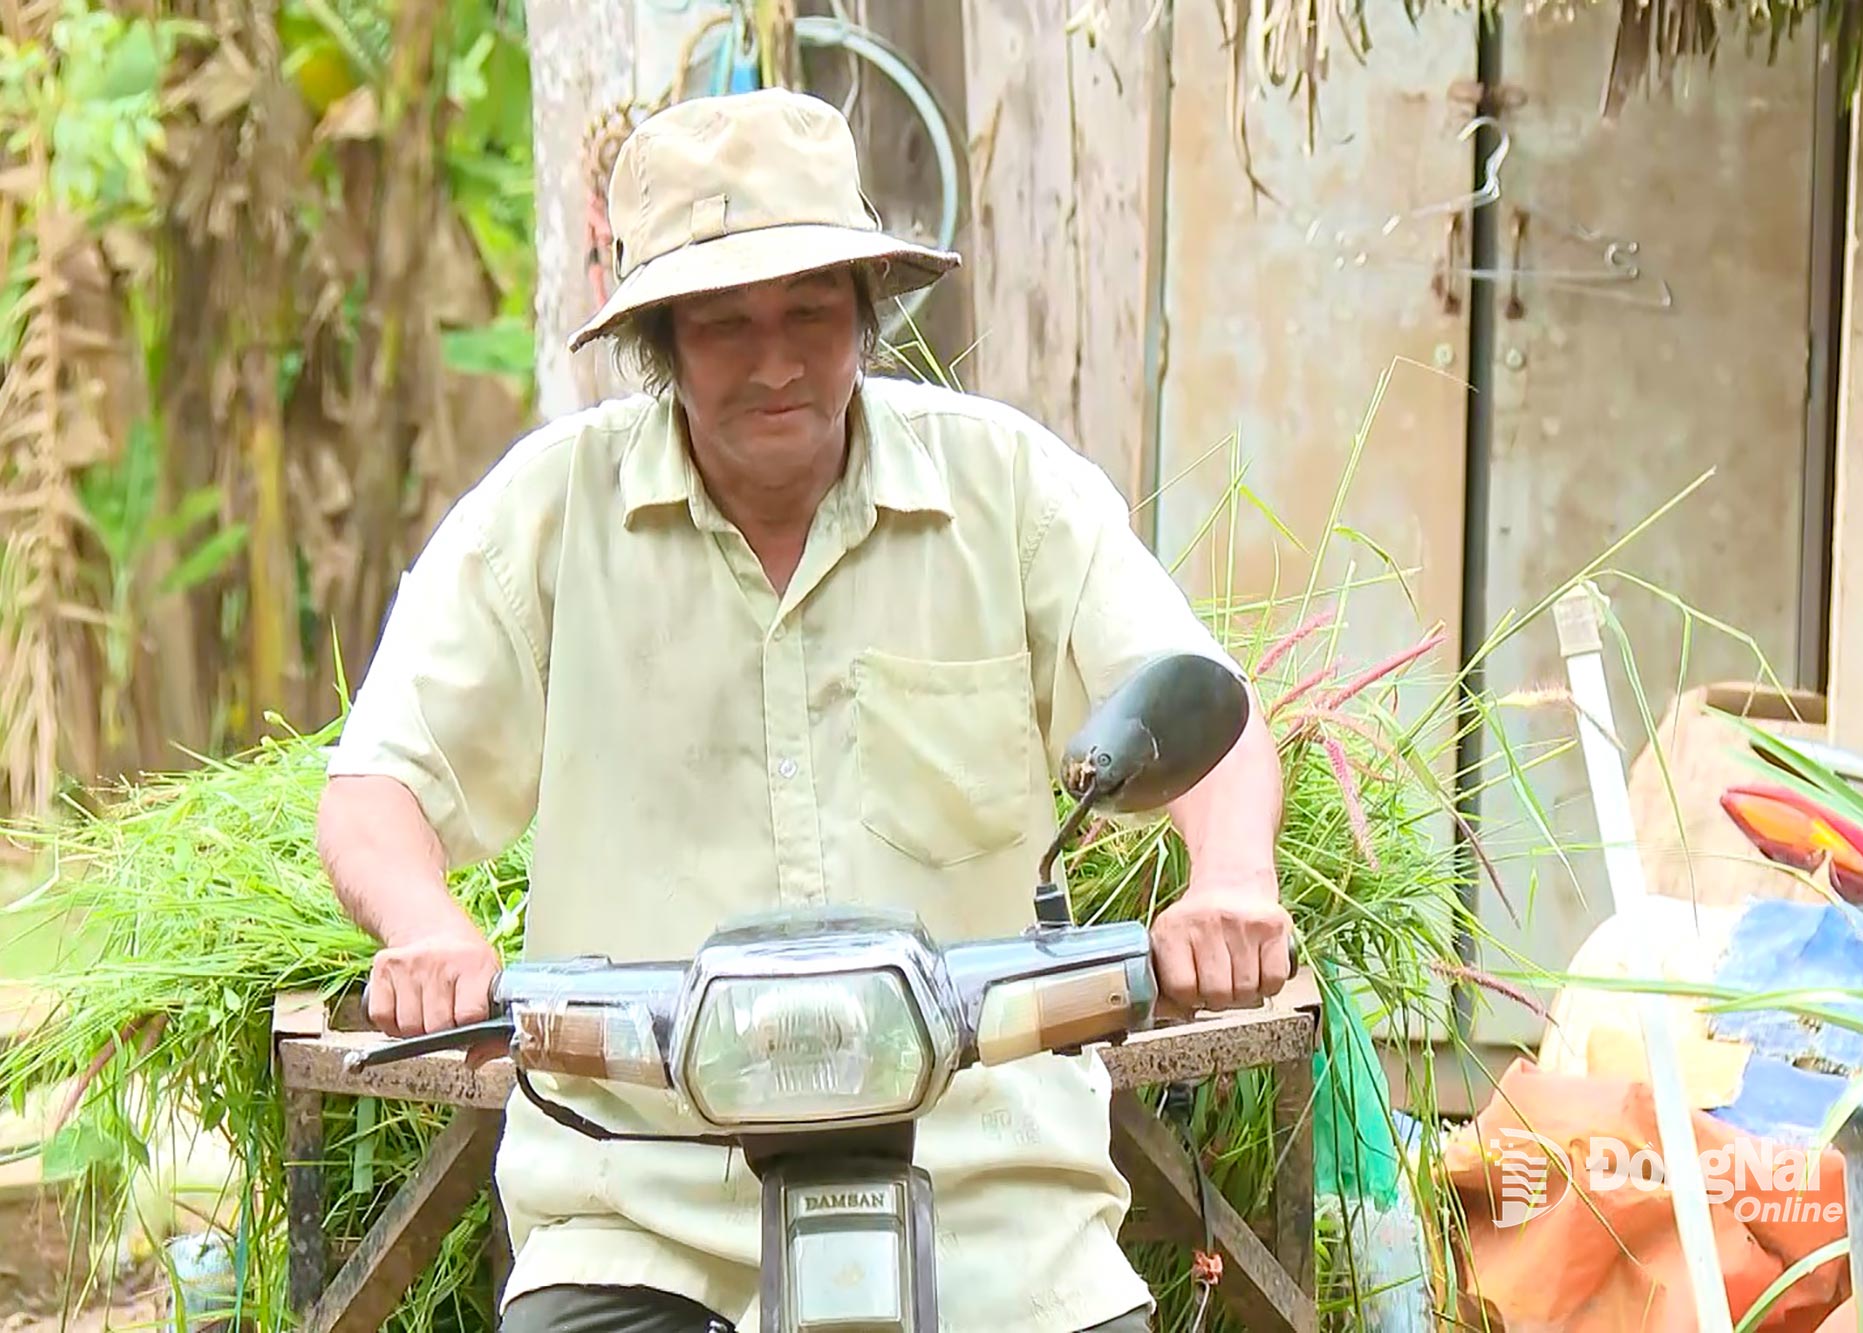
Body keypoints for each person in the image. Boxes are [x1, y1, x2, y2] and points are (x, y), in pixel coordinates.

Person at [315, 87, 1293, 1333]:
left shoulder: (1006, 487)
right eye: (723, 324)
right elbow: (376, 787)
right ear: (659, 339)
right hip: (644, 1213)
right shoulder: (547, 518)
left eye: (810, 310)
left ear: (864, 316)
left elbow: (1204, 711)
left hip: (991, 1204)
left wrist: (1228, 883)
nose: (774, 359)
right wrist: (431, 930)